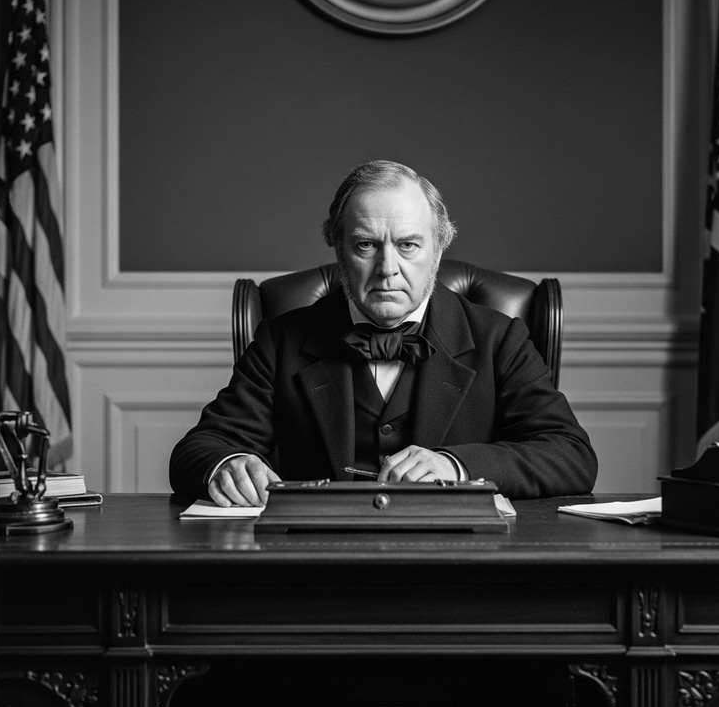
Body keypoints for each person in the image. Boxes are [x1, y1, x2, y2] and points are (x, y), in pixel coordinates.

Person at [170, 160, 597, 506]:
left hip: (460, 565)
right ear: (339, 250)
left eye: (408, 245)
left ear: (438, 249)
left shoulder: (499, 340)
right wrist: (227, 463)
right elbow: (199, 449)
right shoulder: (281, 340)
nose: (387, 268)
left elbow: (571, 455)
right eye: (366, 245)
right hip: (313, 564)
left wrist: (456, 466)